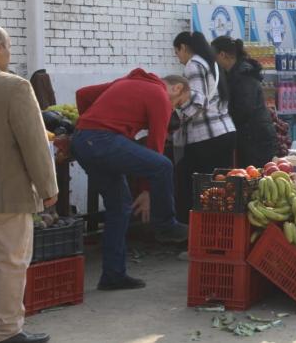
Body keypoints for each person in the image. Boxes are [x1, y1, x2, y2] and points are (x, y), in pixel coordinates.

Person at [0, 23, 58, 343]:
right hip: (7, 192)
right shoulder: (14, 87)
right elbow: (33, 143)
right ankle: (6, 331)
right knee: (10, 262)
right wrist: (48, 188)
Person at [72, 71, 191, 291]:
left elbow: (82, 94)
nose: (173, 108)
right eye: (178, 103)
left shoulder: (126, 81)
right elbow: (156, 145)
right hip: (103, 141)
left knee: (120, 207)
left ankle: (113, 275)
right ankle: (165, 224)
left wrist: (88, 123)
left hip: (81, 141)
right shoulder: (160, 95)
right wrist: (147, 191)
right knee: (163, 165)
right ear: (176, 88)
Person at [172, 31, 236, 223]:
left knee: (195, 188)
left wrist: (177, 112)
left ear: (183, 47)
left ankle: (192, 234)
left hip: (206, 138)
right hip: (224, 132)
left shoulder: (194, 65)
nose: (179, 58)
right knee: (220, 191)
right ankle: (220, 233)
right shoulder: (211, 63)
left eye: (177, 53)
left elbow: (197, 102)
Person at [211, 36, 277, 167]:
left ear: (222, 55)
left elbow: (244, 109)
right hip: (248, 136)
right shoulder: (233, 73)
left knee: (254, 178)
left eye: (214, 56)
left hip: (256, 137)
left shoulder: (244, 75)